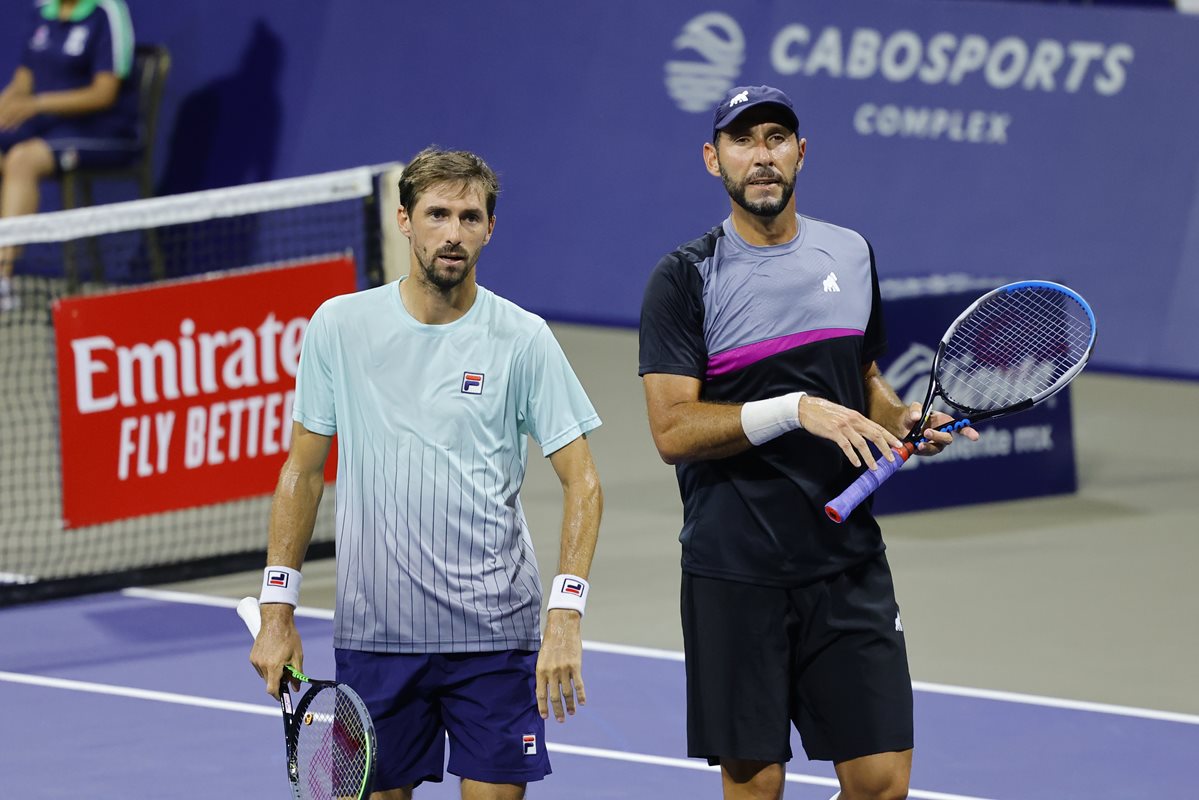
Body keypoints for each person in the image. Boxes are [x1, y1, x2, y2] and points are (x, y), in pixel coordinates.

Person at [638, 85, 978, 800]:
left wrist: (898, 417)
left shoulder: (849, 253)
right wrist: (793, 410)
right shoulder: (685, 277)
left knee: (881, 782)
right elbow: (672, 430)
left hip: (846, 560)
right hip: (735, 569)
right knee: (756, 785)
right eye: (742, 140)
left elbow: (864, 376)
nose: (761, 156)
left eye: (775, 139)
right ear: (713, 160)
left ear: (800, 153)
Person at [249, 146, 603, 800]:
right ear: (404, 220)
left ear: (490, 228)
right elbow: (302, 471)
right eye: (437, 214)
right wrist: (277, 609)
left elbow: (582, 481)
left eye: (470, 217)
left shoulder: (523, 338)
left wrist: (565, 614)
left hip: (495, 634)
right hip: (377, 635)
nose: (453, 233)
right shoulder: (339, 327)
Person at [0, 0, 138, 311]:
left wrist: (37, 105)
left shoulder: (106, 12)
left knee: (22, 160)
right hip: (48, 126)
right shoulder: (43, 10)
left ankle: (2, 279)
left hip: (101, 132)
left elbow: (104, 93)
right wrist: (6, 105)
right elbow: (23, 82)